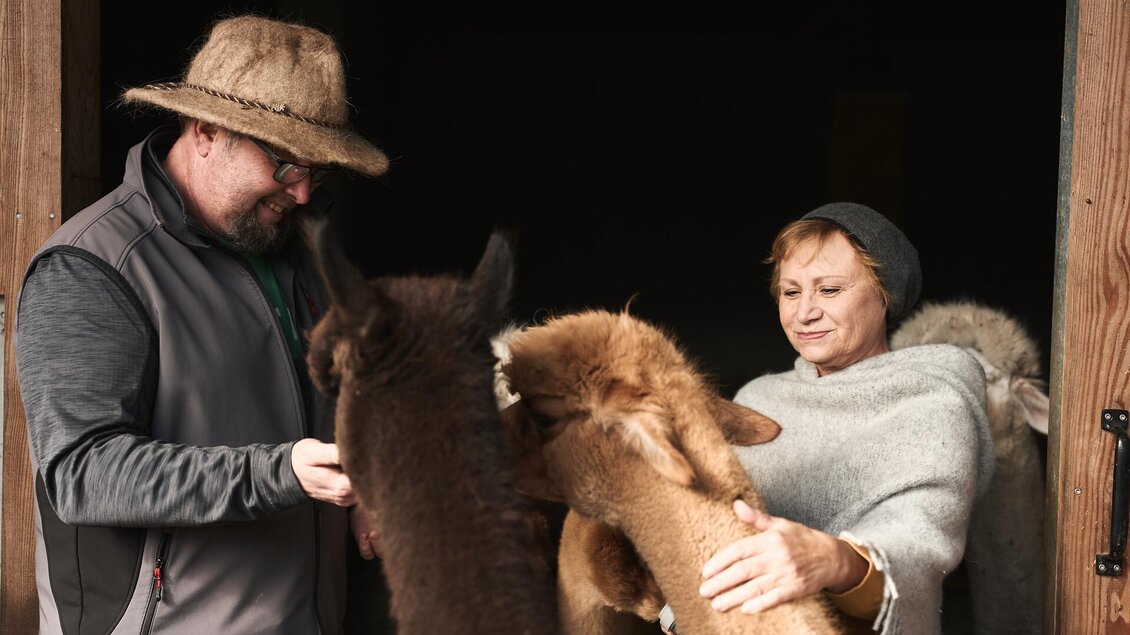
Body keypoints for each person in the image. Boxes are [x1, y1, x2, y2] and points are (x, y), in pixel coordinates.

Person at [15, 15, 388, 634]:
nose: (301, 194)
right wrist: (279, 473)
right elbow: (84, 475)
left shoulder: (297, 252)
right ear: (207, 130)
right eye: (284, 165)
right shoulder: (91, 267)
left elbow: (338, 393)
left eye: (317, 173)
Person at [695, 202, 994, 633]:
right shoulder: (757, 401)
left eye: (830, 290)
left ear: (885, 295)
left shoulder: (930, 404)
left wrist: (832, 559)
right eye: (791, 292)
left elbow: (917, 539)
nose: (804, 312)